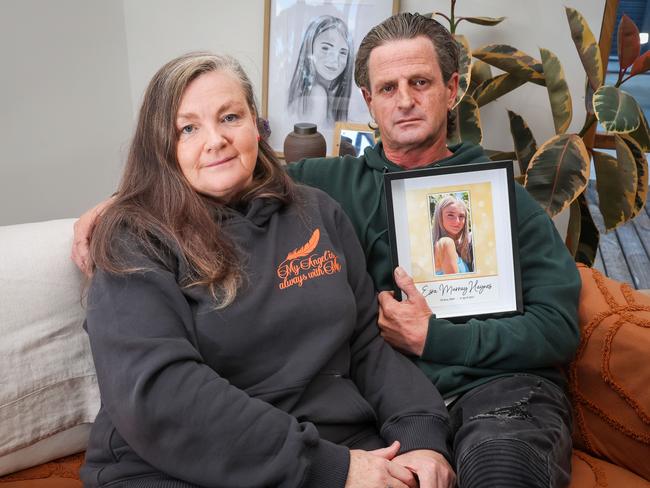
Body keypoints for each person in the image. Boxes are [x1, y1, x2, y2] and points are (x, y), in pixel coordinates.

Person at [73, 13, 581, 488]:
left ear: (452, 90)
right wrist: (127, 201)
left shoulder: (322, 204)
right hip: (281, 446)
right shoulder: (324, 182)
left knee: (500, 469)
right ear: (367, 99)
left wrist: (431, 392)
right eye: (388, 88)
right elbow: (210, 174)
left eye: (420, 83)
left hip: (482, 396)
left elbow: (555, 325)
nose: (404, 100)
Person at [79, 51, 455, 488]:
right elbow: (160, 395)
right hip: (178, 466)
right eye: (188, 128)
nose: (215, 139)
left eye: (230, 117)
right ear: (162, 145)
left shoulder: (317, 210)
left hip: (339, 447)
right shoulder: (133, 238)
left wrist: (421, 437)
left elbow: (367, 344)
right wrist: (334, 469)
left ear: (256, 124)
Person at [287, 15, 354, 125]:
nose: (334, 60)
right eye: (325, 48)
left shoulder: (316, 93)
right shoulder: (318, 95)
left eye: (342, 52)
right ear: (310, 47)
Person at [431, 194, 473, 275]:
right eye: (450, 215)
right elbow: (456, 286)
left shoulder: (459, 248)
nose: (457, 221)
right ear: (440, 217)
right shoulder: (446, 243)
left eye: (461, 216)